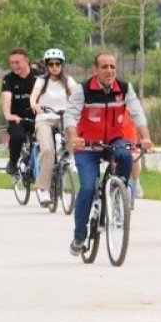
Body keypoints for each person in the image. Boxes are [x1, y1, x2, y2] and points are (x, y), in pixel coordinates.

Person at [65, 52, 155, 256]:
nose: (109, 71)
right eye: (104, 67)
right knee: (87, 189)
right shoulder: (83, 90)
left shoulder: (123, 88)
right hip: (86, 145)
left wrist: (145, 137)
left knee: (125, 156)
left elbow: (137, 113)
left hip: (113, 140)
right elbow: (70, 115)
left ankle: (117, 195)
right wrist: (73, 136)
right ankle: (79, 236)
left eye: (113, 66)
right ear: (95, 70)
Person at [29, 48, 78, 207]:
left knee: (74, 134)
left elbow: (77, 93)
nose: (54, 67)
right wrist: (34, 105)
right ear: (47, 65)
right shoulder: (41, 81)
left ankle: (70, 160)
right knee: (47, 150)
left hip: (63, 117)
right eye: (51, 64)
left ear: (62, 65)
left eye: (57, 63)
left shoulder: (67, 80)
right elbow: (34, 95)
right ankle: (43, 189)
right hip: (44, 119)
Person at [0, 48, 39, 175]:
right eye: (12, 63)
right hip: (18, 119)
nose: (14, 66)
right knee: (17, 137)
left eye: (17, 62)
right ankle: (13, 162)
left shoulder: (40, 76)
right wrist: (8, 114)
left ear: (26, 61)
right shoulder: (8, 79)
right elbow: (6, 97)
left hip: (38, 118)